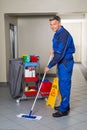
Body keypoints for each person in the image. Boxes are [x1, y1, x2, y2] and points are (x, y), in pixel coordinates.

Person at [44, 16, 75, 117]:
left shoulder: (63, 34)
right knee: (62, 85)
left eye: (54, 24)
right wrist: (54, 50)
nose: (52, 26)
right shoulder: (57, 33)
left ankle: (64, 110)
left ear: (59, 23)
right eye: (51, 24)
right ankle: (65, 105)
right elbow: (58, 48)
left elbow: (60, 53)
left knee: (64, 86)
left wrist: (49, 66)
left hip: (65, 63)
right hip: (61, 62)